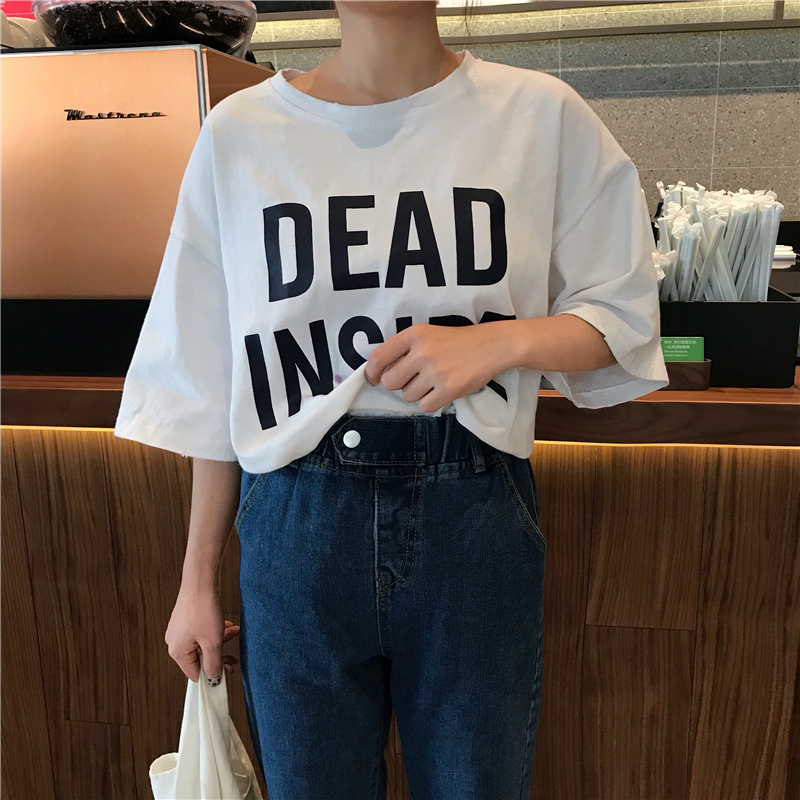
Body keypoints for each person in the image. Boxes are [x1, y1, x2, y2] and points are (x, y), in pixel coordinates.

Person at [114, 1, 669, 797]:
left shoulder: (539, 117)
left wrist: (501, 342)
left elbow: (622, 318)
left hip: (473, 512)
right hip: (295, 521)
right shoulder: (241, 134)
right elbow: (217, 377)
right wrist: (196, 578)